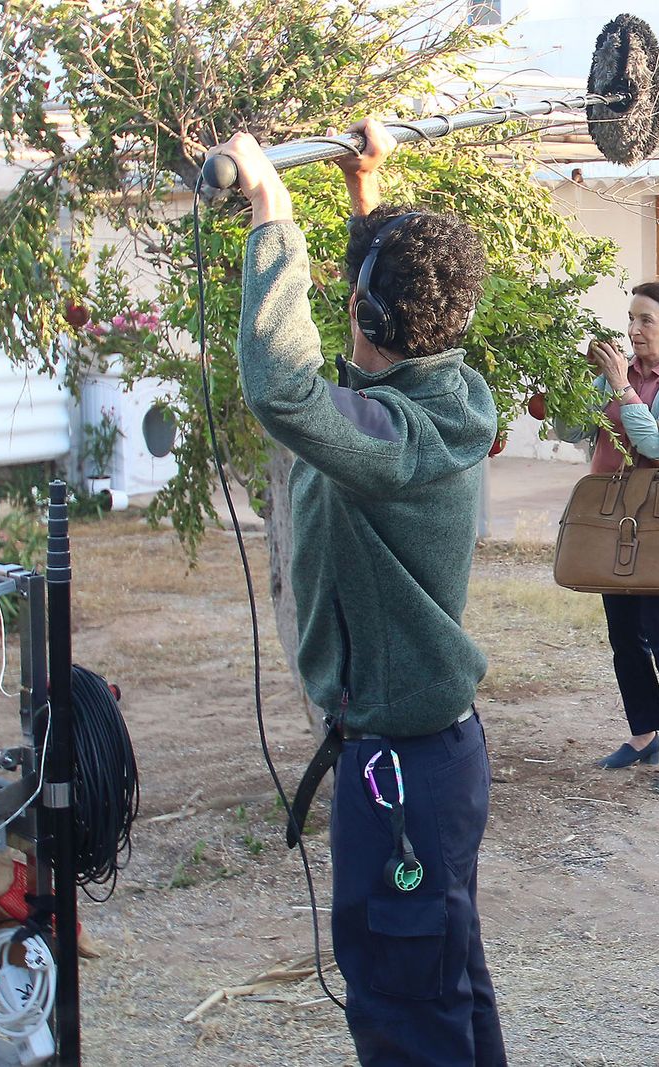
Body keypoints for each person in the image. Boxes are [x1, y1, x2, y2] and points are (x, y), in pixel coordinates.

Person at [207, 119, 507, 1066]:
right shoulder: (441, 392)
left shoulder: (390, 439)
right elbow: (382, 322)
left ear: (361, 316)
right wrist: (363, 194)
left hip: (402, 772)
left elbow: (285, 391)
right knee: (444, 981)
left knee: (403, 1003)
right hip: (425, 758)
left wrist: (271, 212)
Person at [569, 280, 659, 796]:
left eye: (646, 320)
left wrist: (620, 388)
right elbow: (570, 430)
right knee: (624, 634)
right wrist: (574, 381)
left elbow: (657, 445)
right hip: (613, 514)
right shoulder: (617, 373)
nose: (633, 331)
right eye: (630, 319)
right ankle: (643, 734)